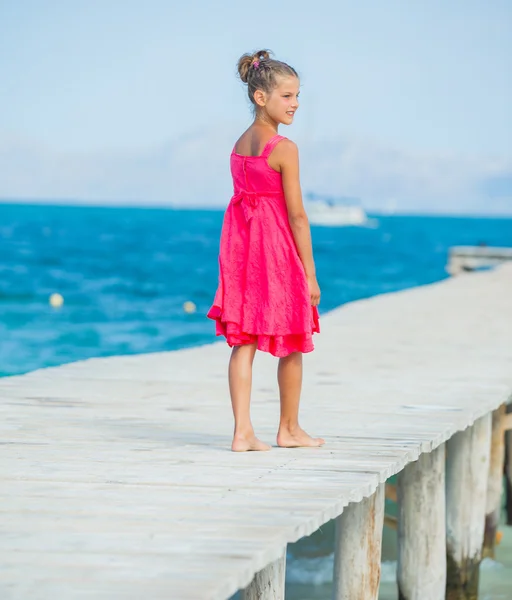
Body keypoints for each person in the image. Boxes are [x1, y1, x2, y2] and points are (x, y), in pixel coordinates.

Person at [207, 49, 324, 452]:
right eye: (287, 96)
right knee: (293, 335)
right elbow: (297, 217)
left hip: (240, 251)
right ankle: (288, 429)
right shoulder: (283, 148)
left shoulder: (239, 145)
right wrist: (309, 272)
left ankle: (242, 433)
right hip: (274, 251)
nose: (295, 104)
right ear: (261, 98)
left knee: (245, 341)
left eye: (297, 96)